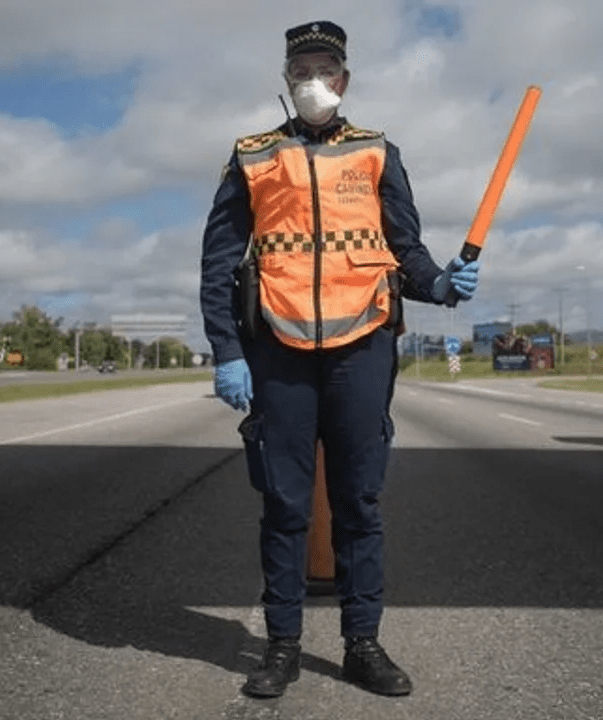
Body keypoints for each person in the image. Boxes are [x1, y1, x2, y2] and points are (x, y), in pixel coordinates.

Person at [199, 20, 480, 699]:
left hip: (363, 346)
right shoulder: (250, 155)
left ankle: (362, 645)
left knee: (358, 502)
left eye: (324, 70)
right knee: (285, 504)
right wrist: (228, 351)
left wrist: (437, 283)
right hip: (278, 350)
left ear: (344, 78)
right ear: (286, 80)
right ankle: (282, 648)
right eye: (301, 71)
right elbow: (217, 263)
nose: (312, 82)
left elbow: (403, 251)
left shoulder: (378, 151)